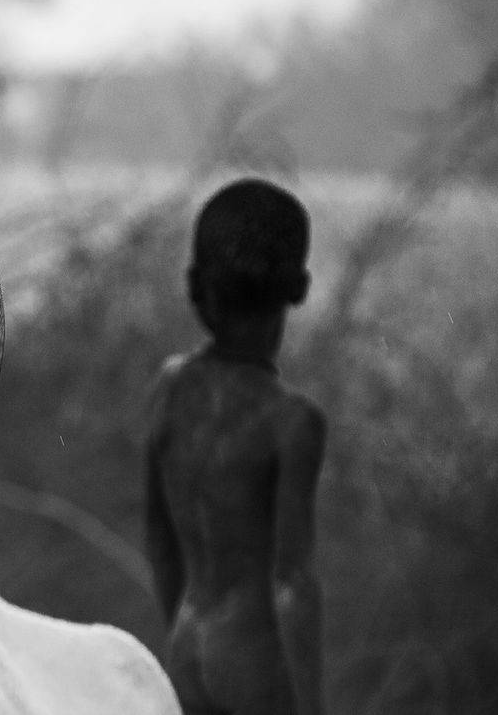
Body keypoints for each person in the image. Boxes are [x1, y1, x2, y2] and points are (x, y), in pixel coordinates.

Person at [144, 178, 326, 715]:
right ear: (298, 288)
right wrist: (313, 705)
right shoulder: (292, 421)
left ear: (197, 287)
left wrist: (178, 631)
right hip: (255, 665)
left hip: (185, 648)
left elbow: (159, 540)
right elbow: (293, 584)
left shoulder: (171, 389)